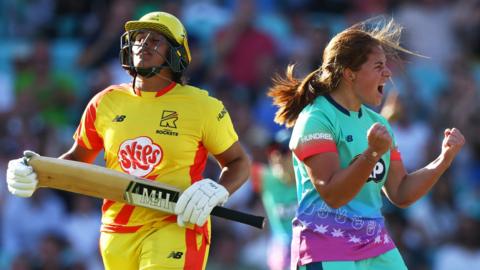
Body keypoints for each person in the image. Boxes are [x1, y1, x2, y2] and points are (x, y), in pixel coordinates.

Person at [6, 11, 251, 270]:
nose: (143, 45)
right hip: (116, 232)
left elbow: (237, 162)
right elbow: (77, 161)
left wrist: (219, 189)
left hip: (176, 225)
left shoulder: (203, 106)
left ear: (176, 53)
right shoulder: (105, 102)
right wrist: (38, 171)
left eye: (155, 40)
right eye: (138, 38)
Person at [268, 17, 465, 270]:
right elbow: (333, 195)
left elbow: (401, 192)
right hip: (326, 248)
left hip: (376, 248)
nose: (388, 72)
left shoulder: (375, 121)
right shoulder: (316, 120)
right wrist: (371, 153)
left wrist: (443, 160)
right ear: (350, 74)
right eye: (379, 66)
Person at [251, 129, 297, 270]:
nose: (276, 156)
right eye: (272, 150)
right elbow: (231, 159)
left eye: (284, 152)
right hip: (281, 248)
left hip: (312, 246)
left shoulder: (313, 180)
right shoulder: (265, 178)